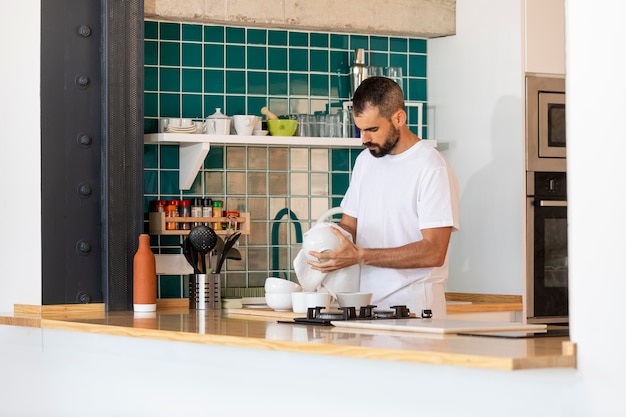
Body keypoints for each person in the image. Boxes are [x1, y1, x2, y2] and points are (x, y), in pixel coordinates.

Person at [308, 76, 460, 318]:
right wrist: (325, 247)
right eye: (360, 129)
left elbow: (434, 251)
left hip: (415, 311)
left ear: (399, 118)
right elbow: (349, 226)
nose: (364, 139)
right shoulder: (365, 162)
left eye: (372, 129)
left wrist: (360, 256)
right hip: (366, 308)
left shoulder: (432, 167)